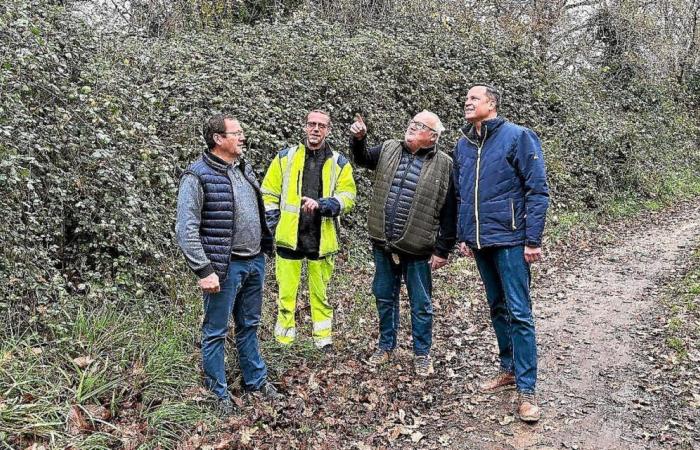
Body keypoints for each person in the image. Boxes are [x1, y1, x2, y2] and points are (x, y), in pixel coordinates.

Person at [453, 84, 549, 422]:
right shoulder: (462, 145)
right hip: (481, 242)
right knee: (497, 307)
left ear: (491, 104)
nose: (467, 102)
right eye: (466, 98)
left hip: (511, 239)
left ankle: (527, 390)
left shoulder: (518, 137)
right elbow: (461, 192)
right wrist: (464, 235)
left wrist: (532, 239)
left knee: (519, 312)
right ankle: (507, 369)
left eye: (474, 98)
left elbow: (537, 190)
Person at [175, 113, 280, 415]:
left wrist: (265, 242)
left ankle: (256, 382)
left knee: (249, 325)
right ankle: (217, 394)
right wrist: (204, 269)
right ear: (218, 139)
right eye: (237, 133)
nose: (242, 137)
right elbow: (186, 227)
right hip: (223, 268)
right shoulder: (196, 176)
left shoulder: (243, 169)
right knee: (216, 331)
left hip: (253, 261)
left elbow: (256, 211)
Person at [349, 110, 457, 377]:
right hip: (383, 243)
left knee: (421, 304)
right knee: (384, 296)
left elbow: (451, 210)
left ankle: (422, 353)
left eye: (420, 126)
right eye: (412, 122)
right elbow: (361, 158)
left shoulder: (445, 165)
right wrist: (359, 140)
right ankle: (386, 346)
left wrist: (443, 249)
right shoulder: (389, 148)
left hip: (418, 249)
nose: (411, 127)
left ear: (432, 137)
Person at [261, 110, 356, 350]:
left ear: (328, 130)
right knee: (285, 294)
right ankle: (283, 341)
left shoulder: (339, 162)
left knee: (321, 294)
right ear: (304, 127)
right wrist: (272, 225)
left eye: (321, 125)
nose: (315, 129)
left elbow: (348, 196)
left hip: (321, 238)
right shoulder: (285, 157)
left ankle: (323, 340)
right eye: (311, 124)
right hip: (289, 238)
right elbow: (269, 193)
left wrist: (326, 204)